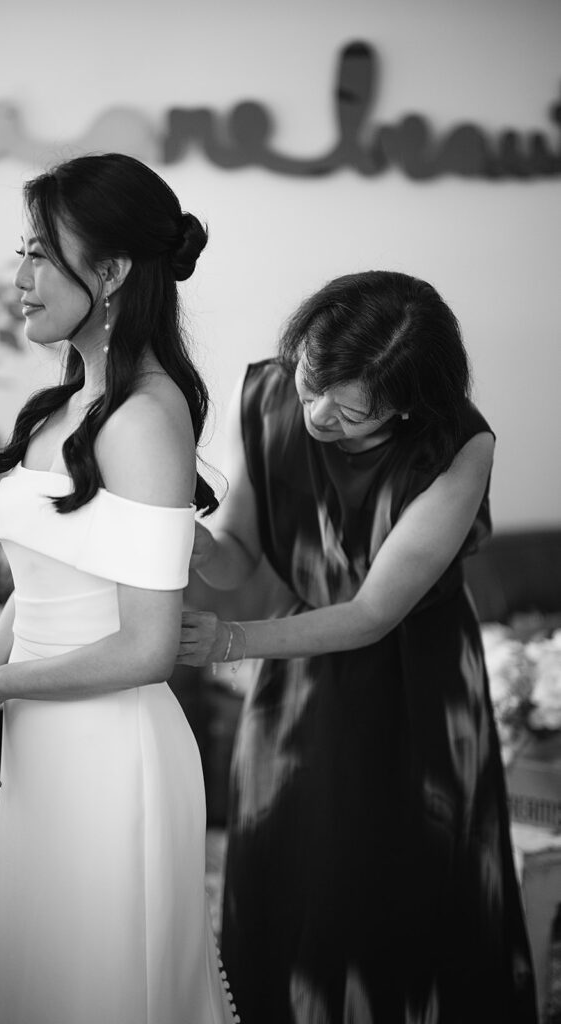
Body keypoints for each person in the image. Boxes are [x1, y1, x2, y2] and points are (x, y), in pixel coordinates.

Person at [179, 271, 538, 1024]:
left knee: (389, 889)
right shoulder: (273, 397)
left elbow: (374, 611)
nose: (313, 413)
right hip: (296, 674)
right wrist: (190, 543)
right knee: (287, 867)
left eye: (345, 410)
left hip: (415, 685)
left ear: (406, 403)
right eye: (310, 383)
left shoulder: (455, 446)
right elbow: (240, 550)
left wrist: (230, 640)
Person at [0, 153, 238, 1024]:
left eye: (41, 254)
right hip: (51, 741)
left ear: (109, 273)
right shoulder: (66, 406)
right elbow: (44, 581)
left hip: (114, 754)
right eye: (21, 252)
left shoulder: (145, 420)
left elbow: (147, 648)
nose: (20, 279)